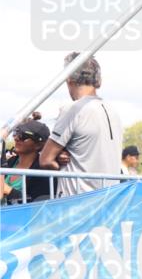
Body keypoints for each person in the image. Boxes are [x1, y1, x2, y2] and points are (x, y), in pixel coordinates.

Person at [39, 53, 122, 197]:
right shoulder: (114, 112)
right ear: (98, 81)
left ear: (68, 79)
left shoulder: (73, 109)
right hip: (110, 199)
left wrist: (60, 162)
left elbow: (45, 160)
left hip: (78, 200)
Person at [2, 119, 53, 204]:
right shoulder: (10, 162)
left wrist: (9, 191)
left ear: (38, 145)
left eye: (23, 136)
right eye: (16, 133)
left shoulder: (42, 172)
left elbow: (38, 204)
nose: (16, 138)